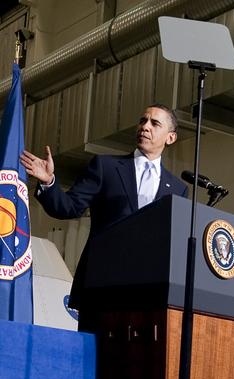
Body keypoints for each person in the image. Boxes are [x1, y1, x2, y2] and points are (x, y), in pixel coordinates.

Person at [21, 104, 188, 316]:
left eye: (155, 123)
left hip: (148, 294)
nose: (145, 127)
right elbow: (69, 207)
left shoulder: (177, 188)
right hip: (102, 285)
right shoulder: (105, 166)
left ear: (170, 137)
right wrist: (49, 182)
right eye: (143, 121)